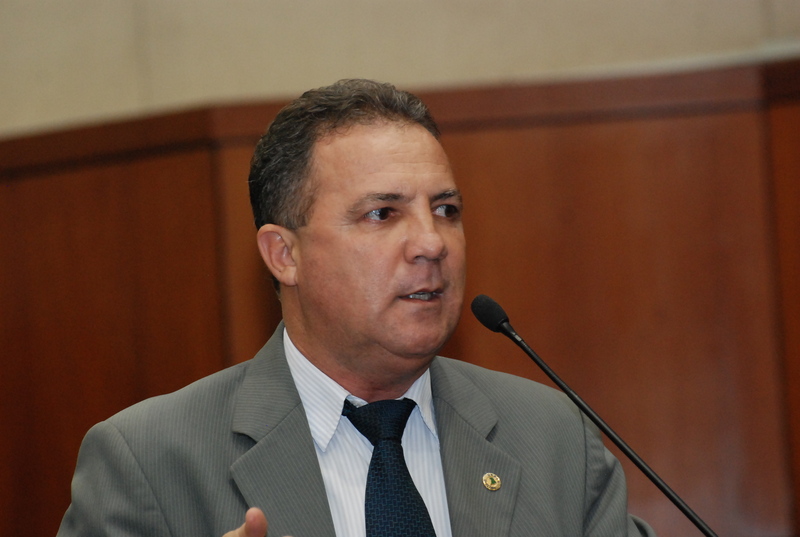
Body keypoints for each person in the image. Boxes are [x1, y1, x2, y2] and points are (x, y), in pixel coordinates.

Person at [57, 79, 656, 537]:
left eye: (446, 210)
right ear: (284, 254)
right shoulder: (149, 461)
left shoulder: (553, 439)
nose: (431, 243)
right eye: (382, 213)